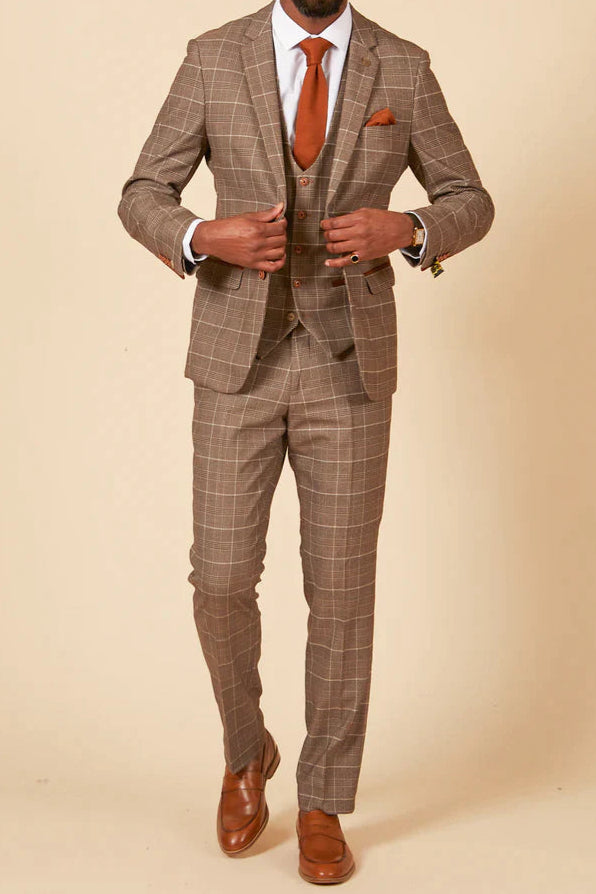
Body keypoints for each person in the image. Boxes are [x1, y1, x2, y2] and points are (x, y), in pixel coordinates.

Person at [117, 0, 494, 883]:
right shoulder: (214, 56)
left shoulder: (403, 65)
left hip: (348, 364)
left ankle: (324, 798)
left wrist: (410, 229)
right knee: (219, 577)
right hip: (235, 361)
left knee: (342, 591)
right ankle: (245, 750)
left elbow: (469, 200)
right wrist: (202, 236)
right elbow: (142, 195)